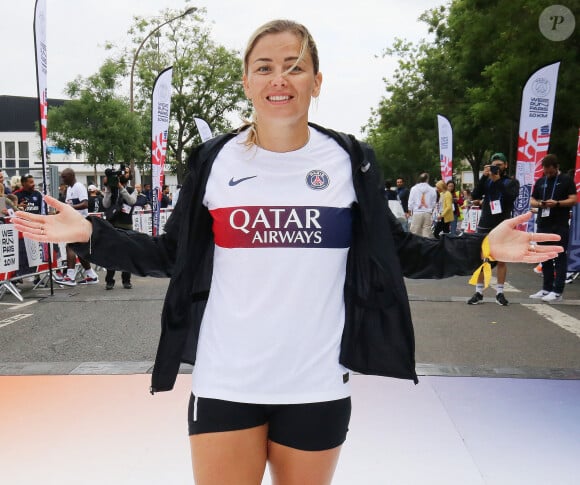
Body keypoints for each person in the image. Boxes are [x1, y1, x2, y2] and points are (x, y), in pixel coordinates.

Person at [12, 19, 563, 485]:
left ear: (316, 80)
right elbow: (169, 254)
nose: (281, 78)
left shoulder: (350, 160)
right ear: (247, 81)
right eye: (266, 66)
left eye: (295, 66)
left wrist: (484, 246)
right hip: (227, 379)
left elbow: (401, 255)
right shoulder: (213, 162)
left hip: (316, 381)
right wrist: (90, 235)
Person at [467, 153, 519, 306]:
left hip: (502, 224)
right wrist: (484, 177)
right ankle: (478, 292)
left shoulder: (511, 182)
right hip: (485, 223)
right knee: (482, 259)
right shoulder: (487, 181)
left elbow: (511, 197)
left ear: (505, 165)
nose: (497, 168)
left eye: (500, 165)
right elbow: (475, 194)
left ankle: (500, 293)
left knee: (501, 259)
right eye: (494, 165)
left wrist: (497, 180)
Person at [529, 154, 577, 302]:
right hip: (543, 223)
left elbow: (573, 199)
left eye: (551, 172)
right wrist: (540, 204)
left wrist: (556, 203)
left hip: (559, 224)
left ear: (557, 168)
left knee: (559, 257)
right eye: (546, 171)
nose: (548, 174)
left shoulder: (566, 180)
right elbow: (532, 200)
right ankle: (546, 288)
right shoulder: (541, 181)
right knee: (545, 256)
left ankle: (557, 291)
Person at [52, 168, 100, 286]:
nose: (62, 179)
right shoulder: (69, 189)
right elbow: (70, 206)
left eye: (64, 177)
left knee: (71, 247)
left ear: (71, 176)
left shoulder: (79, 186)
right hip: (74, 222)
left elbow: (85, 204)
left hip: (80, 222)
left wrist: (69, 208)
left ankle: (70, 276)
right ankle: (91, 275)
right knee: (79, 250)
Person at [102, 166, 137, 290]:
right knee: (111, 253)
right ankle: (109, 280)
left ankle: (126, 280)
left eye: (126, 172)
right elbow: (105, 204)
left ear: (129, 175)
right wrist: (108, 188)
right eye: (122, 172)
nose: (123, 174)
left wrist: (121, 188)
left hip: (126, 225)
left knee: (126, 253)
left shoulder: (132, 189)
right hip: (112, 224)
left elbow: (132, 201)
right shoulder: (112, 189)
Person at [408, 172, 437, 238]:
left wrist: (410, 210)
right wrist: (431, 210)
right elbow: (433, 203)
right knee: (426, 232)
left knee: (415, 231)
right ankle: (425, 246)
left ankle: (415, 246)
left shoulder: (414, 189)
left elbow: (411, 201)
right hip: (427, 212)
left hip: (417, 212)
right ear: (427, 179)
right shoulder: (432, 190)